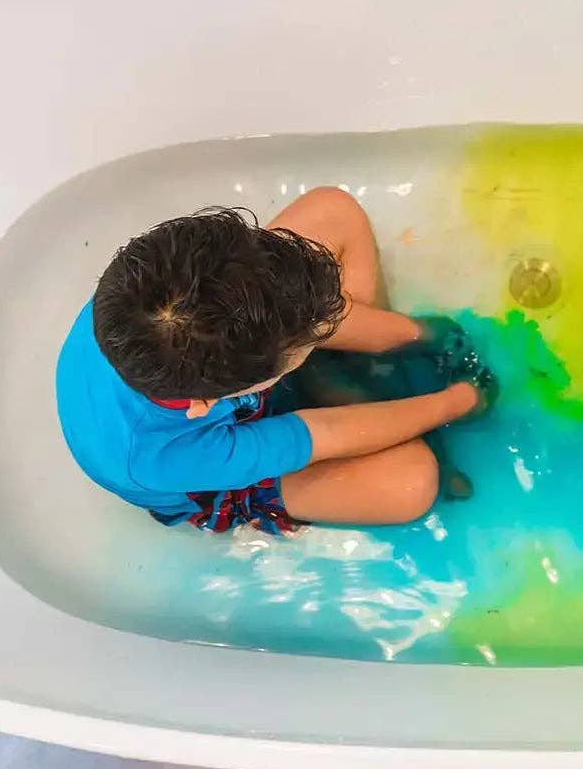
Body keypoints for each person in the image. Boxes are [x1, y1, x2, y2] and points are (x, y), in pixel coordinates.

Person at [56, 188, 494, 534]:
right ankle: (349, 380)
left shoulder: (145, 295)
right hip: (210, 474)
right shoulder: (163, 454)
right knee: (412, 483)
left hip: (214, 371)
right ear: (216, 399)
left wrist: (413, 333)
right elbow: (327, 433)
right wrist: (452, 404)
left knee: (331, 209)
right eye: (305, 343)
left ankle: (357, 372)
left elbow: (295, 312)